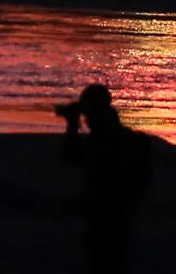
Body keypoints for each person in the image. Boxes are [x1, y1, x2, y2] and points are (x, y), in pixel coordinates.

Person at [58, 84, 152, 273]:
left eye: (88, 112)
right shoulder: (118, 137)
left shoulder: (108, 139)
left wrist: (72, 126)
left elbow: (70, 157)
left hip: (109, 212)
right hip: (114, 212)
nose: (86, 119)